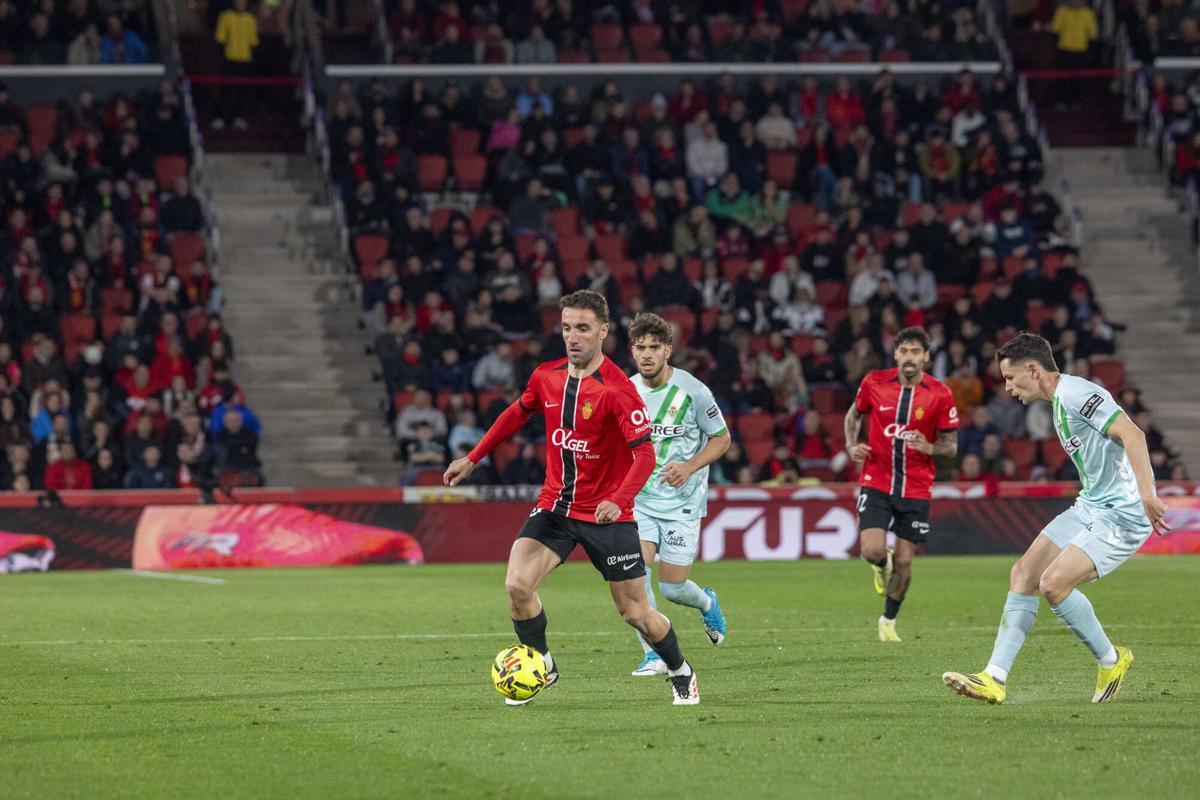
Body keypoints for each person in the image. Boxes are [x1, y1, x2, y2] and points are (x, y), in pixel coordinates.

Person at [443, 290, 700, 705]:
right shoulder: (547, 376)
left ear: (603, 331)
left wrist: (619, 498)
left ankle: (681, 671)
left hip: (608, 515)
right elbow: (515, 412)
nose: (573, 337)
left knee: (636, 614)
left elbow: (645, 453)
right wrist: (474, 457)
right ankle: (543, 664)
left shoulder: (617, 390)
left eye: (582, 328)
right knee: (517, 586)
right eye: (566, 328)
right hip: (557, 506)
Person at [943, 333, 1170, 705]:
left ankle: (1111, 660)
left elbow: (1134, 434)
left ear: (1033, 370)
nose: (1007, 387)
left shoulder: (1076, 395)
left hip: (1124, 513)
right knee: (1024, 574)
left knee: (1053, 584)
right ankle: (994, 678)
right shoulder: (1059, 401)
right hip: (1092, 505)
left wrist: (1147, 495)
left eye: (1011, 378)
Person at [625, 312, 731, 677]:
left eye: (655, 347)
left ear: (668, 350)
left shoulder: (694, 391)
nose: (647, 354)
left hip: (683, 503)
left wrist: (690, 466)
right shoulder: (627, 391)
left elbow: (722, 439)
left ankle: (706, 603)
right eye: (641, 348)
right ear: (632, 351)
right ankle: (654, 654)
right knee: (635, 576)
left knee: (672, 587)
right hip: (640, 500)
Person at [843, 327, 959, 642]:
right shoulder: (873, 383)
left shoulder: (940, 394)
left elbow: (951, 445)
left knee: (906, 561)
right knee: (871, 549)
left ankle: (888, 621)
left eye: (916, 352)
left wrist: (930, 448)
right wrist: (852, 445)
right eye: (904, 351)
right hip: (876, 479)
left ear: (926, 357)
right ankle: (881, 565)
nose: (909, 357)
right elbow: (853, 416)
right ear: (896, 355)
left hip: (917, 487)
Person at [212, 0, 259, 131]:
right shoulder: (226, 17)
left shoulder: (250, 19)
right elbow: (220, 39)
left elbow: (253, 42)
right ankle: (221, 117)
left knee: (243, 91)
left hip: (245, 60)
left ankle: (238, 117)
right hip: (230, 59)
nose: (241, 4)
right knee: (227, 90)